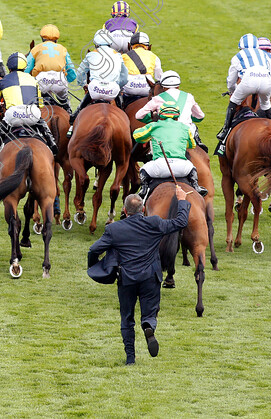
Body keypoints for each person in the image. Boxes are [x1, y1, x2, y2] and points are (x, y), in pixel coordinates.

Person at [87, 188, 189, 365]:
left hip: (126, 279)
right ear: (143, 209)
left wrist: (96, 266)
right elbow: (180, 222)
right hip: (150, 277)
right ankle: (149, 325)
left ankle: (130, 358)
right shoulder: (154, 223)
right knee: (149, 314)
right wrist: (181, 200)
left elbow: (94, 249)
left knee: (127, 318)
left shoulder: (114, 229)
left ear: (125, 211)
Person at [0, 52, 57, 165]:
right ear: (25, 67)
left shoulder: (3, 81)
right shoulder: (33, 80)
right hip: (32, 114)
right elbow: (40, 104)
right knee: (40, 121)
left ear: (9, 67)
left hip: (13, 116)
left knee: (3, 125)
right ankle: (51, 142)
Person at [132, 103, 207, 198]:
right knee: (192, 167)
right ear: (177, 116)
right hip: (182, 168)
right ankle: (196, 186)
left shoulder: (154, 126)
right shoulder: (185, 128)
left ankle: (144, 190)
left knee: (144, 168)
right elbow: (192, 145)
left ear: (160, 116)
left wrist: (149, 136)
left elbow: (136, 136)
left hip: (160, 167)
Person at [216, 33, 271, 149]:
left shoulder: (238, 56)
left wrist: (233, 91)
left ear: (241, 47)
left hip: (249, 81)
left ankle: (225, 130)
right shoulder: (265, 55)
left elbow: (231, 80)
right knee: (266, 105)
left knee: (233, 102)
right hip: (267, 82)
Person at [68, 29, 129, 134]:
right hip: (112, 92)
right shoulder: (117, 55)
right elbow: (125, 76)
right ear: (110, 42)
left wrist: (83, 84)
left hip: (95, 90)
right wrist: (118, 85)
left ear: (96, 43)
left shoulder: (91, 54)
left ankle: (74, 117)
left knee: (87, 97)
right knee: (121, 110)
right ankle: (123, 114)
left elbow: (81, 73)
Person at [135, 70, 206, 150]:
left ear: (163, 87)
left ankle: (152, 154)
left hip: (165, 133)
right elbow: (200, 116)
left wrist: (153, 117)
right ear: (178, 86)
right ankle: (200, 144)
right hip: (187, 132)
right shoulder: (189, 96)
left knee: (154, 136)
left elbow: (139, 115)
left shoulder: (157, 98)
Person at [24, 24, 77, 113]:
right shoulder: (63, 49)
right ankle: (69, 114)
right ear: (57, 39)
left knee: (31, 104)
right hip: (59, 81)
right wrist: (68, 80)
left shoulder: (36, 48)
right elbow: (71, 72)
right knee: (65, 103)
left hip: (41, 82)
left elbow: (27, 68)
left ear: (42, 38)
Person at [121, 32, 162, 106]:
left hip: (130, 88)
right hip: (147, 88)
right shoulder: (154, 56)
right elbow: (159, 77)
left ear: (130, 46)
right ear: (148, 46)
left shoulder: (124, 56)